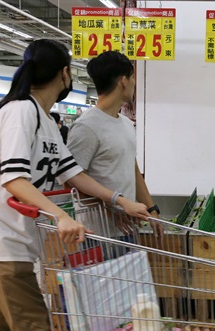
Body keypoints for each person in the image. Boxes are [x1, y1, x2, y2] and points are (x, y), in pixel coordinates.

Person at [0, 39, 151, 331]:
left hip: (19, 236)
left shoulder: (45, 119)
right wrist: (61, 215)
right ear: (65, 74)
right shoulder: (22, 111)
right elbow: (14, 179)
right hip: (0, 235)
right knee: (35, 330)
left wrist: (120, 200)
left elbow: (72, 173)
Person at [67, 51, 162, 236]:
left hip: (127, 230)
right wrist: (111, 213)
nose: (135, 82)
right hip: (98, 234)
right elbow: (73, 181)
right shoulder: (86, 126)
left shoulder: (125, 123)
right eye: (133, 76)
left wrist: (152, 209)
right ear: (123, 81)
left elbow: (133, 170)